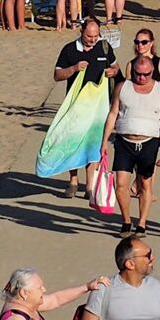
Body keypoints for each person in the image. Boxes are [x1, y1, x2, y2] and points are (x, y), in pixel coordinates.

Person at [100, 47, 160, 232]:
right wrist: (103, 142)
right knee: (121, 184)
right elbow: (112, 114)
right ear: (133, 70)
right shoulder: (122, 87)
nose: (142, 78)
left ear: (152, 72)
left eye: (146, 74)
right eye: (138, 74)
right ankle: (126, 220)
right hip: (124, 142)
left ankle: (141, 223)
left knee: (145, 184)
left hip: (149, 142)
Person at [47, 18, 119, 197]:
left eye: (96, 36)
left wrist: (113, 72)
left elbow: (115, 67)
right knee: (72, 141)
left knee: (92, 143)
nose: (93, 39)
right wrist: (73, 68)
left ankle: (90, 185)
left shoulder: (104, 47)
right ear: (81, 32)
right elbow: (57, 75)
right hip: (75, 105)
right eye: (89, 36)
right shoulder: (70, 50)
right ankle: (73, 181)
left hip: (97, 105)